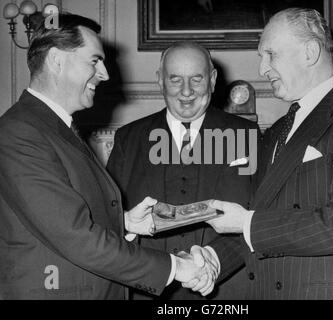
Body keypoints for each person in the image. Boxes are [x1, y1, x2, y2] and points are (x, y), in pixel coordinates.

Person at [0, 14, 215, 300]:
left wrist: (123, 222)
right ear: (56, 60)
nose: (105, 73)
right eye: (94, 61)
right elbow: (74, 235)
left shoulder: (52, 127)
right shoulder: (20, 132)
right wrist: (175, 267)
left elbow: (62, 213)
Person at [196, 7, 333, 299]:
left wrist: (246, 222)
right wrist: (211, 261)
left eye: (270, 55)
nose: (261, 69)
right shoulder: (278, 130)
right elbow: (258, 218)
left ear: (310, 52)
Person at [107, 41, 259, 299]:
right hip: (150, 294)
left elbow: (260, 218)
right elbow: (107, 222)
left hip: (227, 294)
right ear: (160, 80)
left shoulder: (248, 137)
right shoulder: (128, 139)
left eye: (196, 79)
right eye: (175, 79)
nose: (186, 91)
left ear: (212, 80)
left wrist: (214, 262)